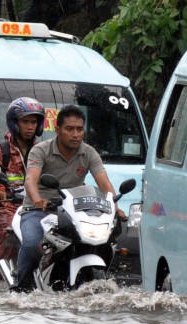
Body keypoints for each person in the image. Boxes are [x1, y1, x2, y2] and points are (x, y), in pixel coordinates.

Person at [12, 104, 125, 292]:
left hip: (71, 211)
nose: (75, 134)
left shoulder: (88, 152)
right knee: (33, 245)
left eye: (79, 129)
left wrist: (115, 206)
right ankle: (20, 288)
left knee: (106, 242)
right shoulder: (41, 150)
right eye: (69, 129)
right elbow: (30, 180)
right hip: (39, 211)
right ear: (57, 130)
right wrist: (38, 199)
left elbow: (104, 183)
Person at [0, 97, 45, 280]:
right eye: (25, 122)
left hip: (34, 206)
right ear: (14, 123)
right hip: (6, 206)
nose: (30, 127)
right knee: (10, 233)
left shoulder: (42, 150)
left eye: (34, 122)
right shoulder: (0, 150)